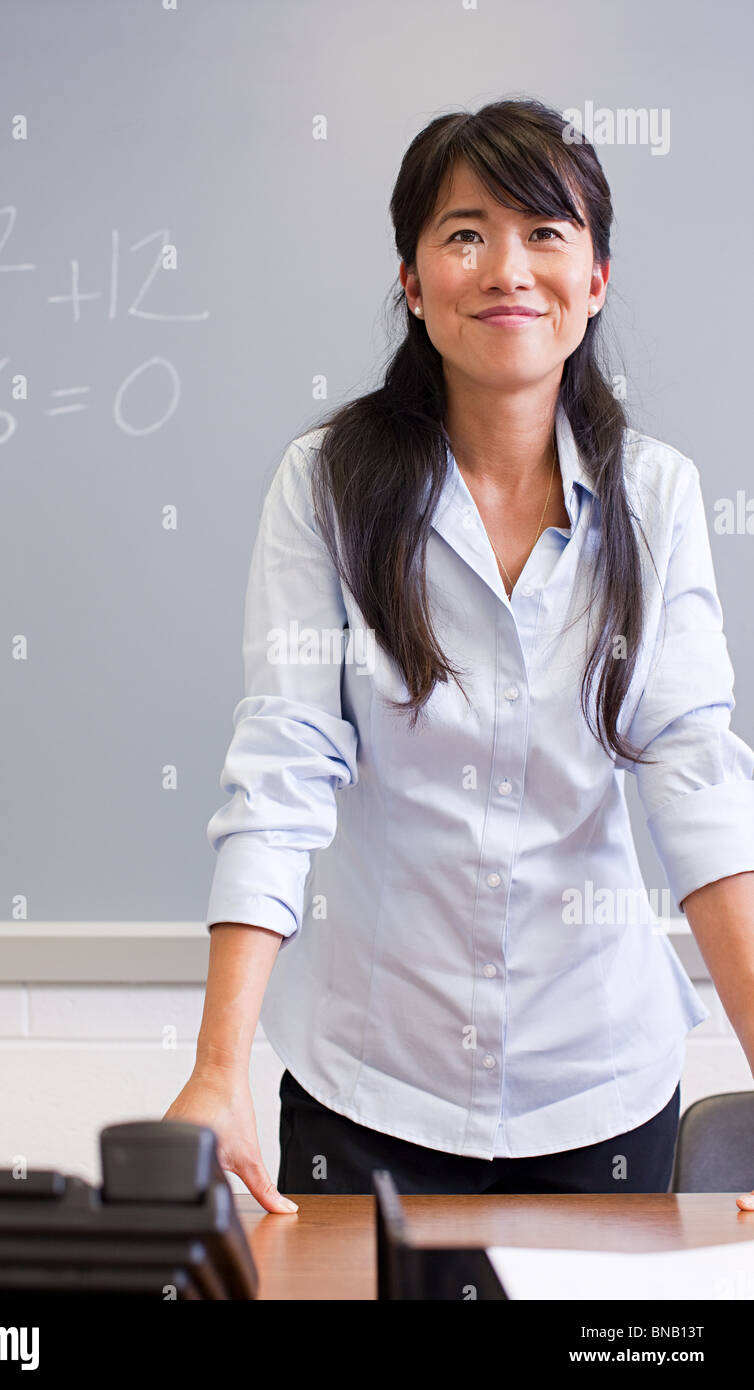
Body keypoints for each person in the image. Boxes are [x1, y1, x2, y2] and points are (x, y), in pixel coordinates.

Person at [165, 98, 754, 1209]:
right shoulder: (327, 485)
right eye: (463, 233)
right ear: (411, 280)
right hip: (368, 1084)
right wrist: (215, 1067)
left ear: (594, 280)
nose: (506, 269)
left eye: (545, 232)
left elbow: (697, 785)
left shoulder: (657, 497)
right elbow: (283, 763)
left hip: (599, 1088)